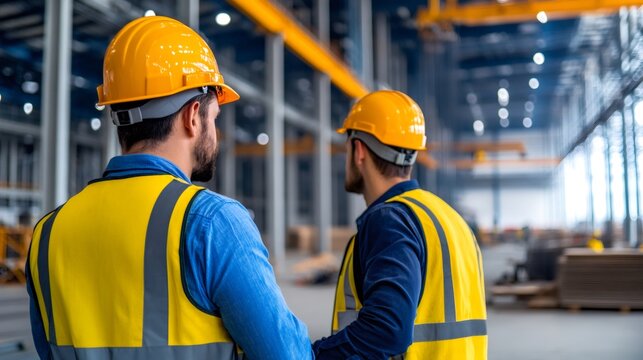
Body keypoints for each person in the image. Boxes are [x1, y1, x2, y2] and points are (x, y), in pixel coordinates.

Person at [26, 16, 311, 360]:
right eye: (215, 118)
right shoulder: (210, 223)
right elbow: (288, 354)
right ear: (193, 116)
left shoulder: (47, 234)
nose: (215, 133)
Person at [313, 90, 488, 359]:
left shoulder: (389, 219)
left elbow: (387, 329)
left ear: (358, 150)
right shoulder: (450, 218)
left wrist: (314, 355)